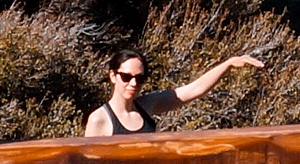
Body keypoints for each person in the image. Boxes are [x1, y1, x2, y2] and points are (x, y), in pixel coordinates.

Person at [84, 50, 264, 138]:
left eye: (140, 78)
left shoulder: (146, 106)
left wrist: (228, 64)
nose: (133, 83)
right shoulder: (99, 120)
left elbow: (194, 89)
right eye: (126, 77)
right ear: (113, 76)